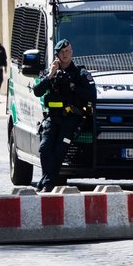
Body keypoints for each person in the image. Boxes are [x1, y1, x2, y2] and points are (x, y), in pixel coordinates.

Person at [31, 40, 97, 190]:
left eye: (68, 51)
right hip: (52, 118)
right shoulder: (51, 71)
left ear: (72, 52)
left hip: (71, 119)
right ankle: (47, 180)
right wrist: (50, 75)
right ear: (57, 55)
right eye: (62, 52)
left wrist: (73, 86)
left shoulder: (80, 73)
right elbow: (37, 91)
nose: (65, 54)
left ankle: (47, 183)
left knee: (59, 151)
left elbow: (92, 96)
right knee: (44, 148)